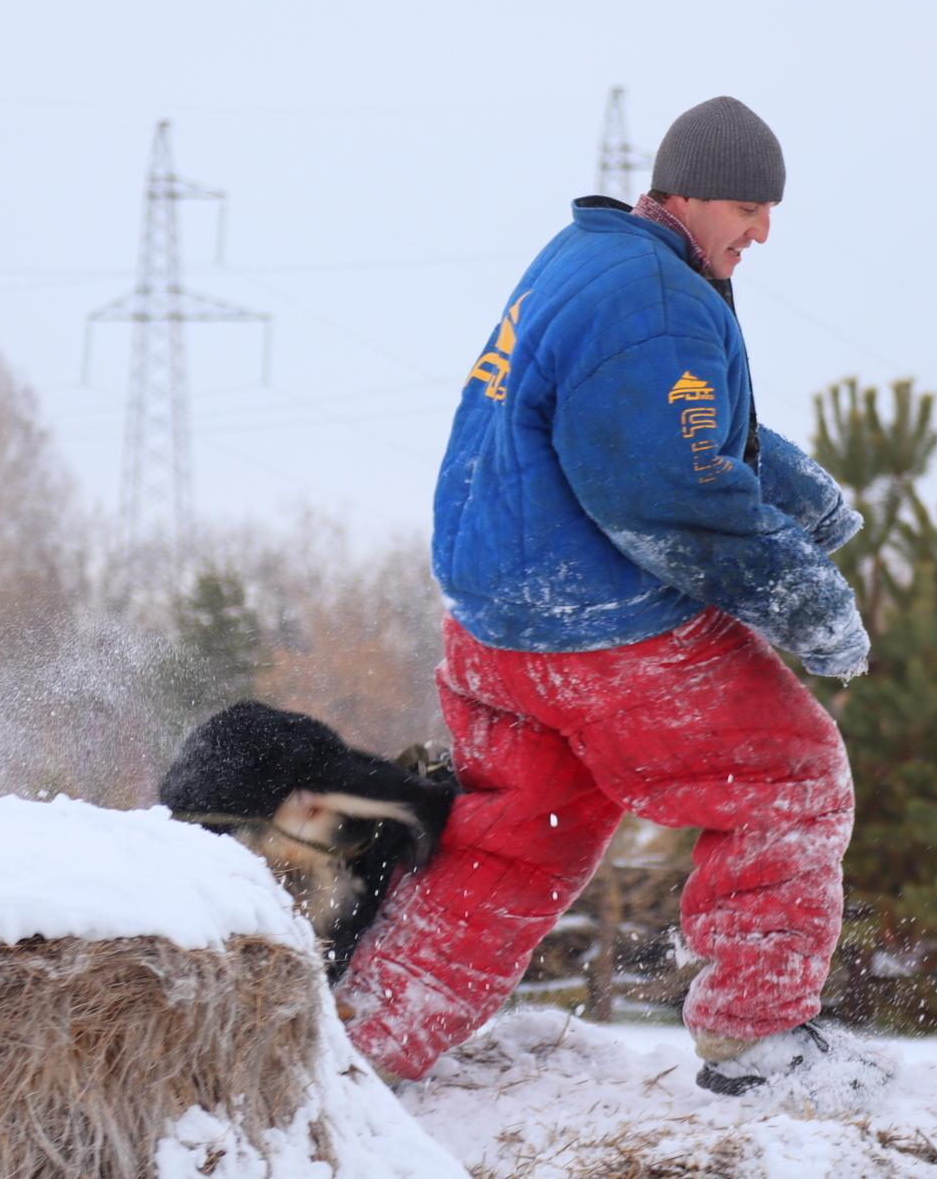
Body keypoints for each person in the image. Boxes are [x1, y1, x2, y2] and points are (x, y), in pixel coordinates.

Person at [335, 96, 869, 1095]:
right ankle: (756, 1040)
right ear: (688, 190)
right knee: (787, 779)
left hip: (496, 634)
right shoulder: (654, 297)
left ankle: (363, 1051)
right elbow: (660, 487)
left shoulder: (587, 262)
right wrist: (803, 599)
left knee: (511, 842)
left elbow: (657, 424)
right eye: (748, 206)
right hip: (605, 631)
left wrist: (803, 500)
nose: (760, 231)